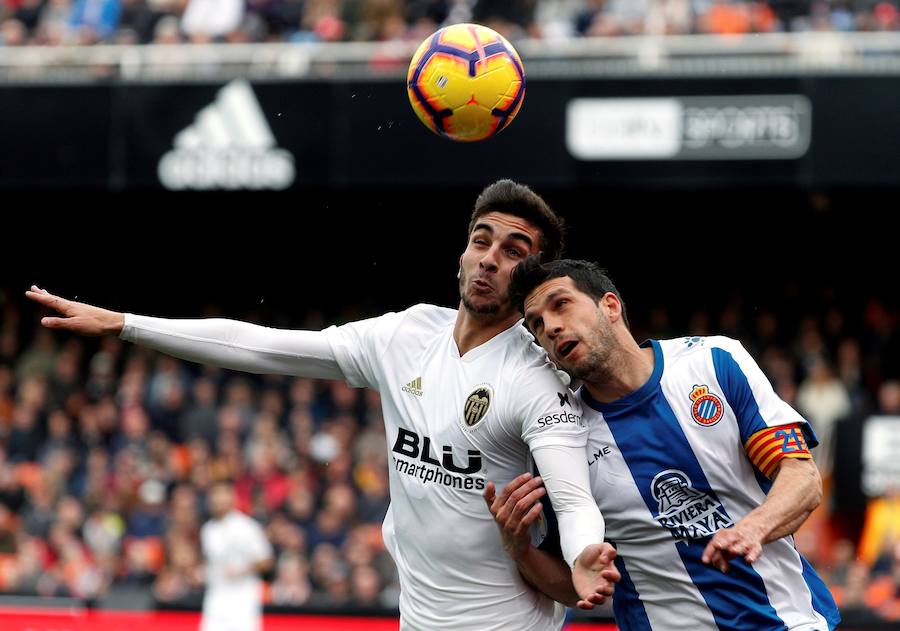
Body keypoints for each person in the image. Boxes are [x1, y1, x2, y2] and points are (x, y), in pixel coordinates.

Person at [26, 180, 618, 630]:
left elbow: (569, 493)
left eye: (514, 251)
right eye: (480, 240)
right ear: (460, 254)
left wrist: (586, 554)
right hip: (415, 617)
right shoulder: (407, 336)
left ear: (531, 279)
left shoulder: (537, 377)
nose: (490, 258)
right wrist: (126, 324)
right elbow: (260, 344)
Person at [488, 256, 841, 630]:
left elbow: (802, 478)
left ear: (610, 306)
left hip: (789, 622)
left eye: (561, 305)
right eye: (537, 325)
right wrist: (521, 550)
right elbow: (577, 586)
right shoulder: (560, 437)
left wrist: (752, 528)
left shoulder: (714, 362)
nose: (552, 328)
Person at [200, 479, 274, 631]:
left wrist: (242, 570)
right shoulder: (208, 530)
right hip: (216, 595)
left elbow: (267, 560)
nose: (218, 499)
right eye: (215, 494)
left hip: (243, 596)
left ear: (232, 497)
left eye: (223, 494)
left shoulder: (246, 526)